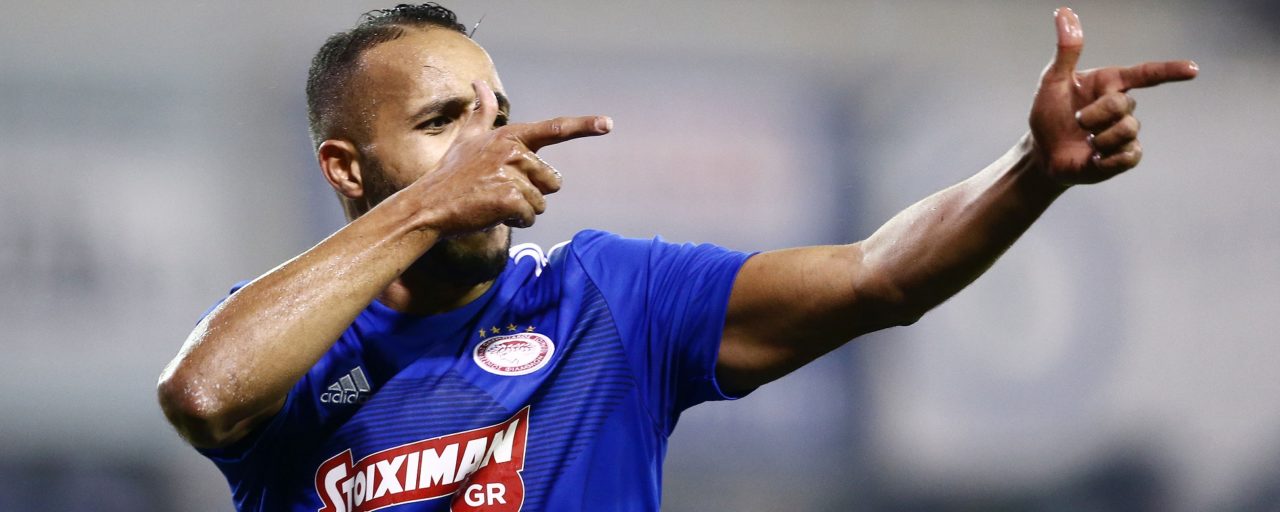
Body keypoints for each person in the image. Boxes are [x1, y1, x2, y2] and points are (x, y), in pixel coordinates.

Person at [156, 4, 1197, 511]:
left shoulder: (607, 297)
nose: (489, 145)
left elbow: (881, 274)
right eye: (440, 124)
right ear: (346, 166)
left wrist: (1030, 171)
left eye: (496, 116)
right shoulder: (293, 340)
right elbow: (203, 394)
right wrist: (430, 204)